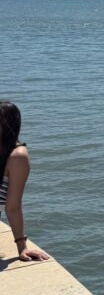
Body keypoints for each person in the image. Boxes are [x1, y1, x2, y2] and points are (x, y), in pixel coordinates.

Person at [1, 101, 49, 261]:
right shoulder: (17, 156)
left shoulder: (16, 156)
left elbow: (12, 207)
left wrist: (22, 247)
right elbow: (12, 207)